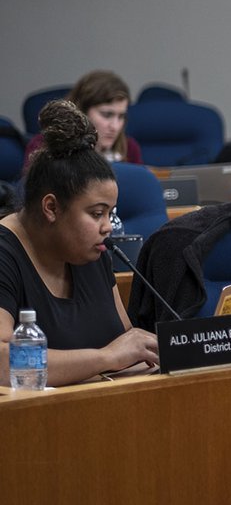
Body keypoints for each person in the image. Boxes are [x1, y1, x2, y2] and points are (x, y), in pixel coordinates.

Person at [0, 100, 158, 386]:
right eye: (97, 213)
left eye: (111, 213)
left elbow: (128, 350)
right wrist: (105, 358)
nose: (108, 226)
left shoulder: (94, 250)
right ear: (51, 208)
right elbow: (1, 362)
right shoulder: (4, 254)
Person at [23, 70, 142, 166]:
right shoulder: (42, 146)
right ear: (82, 112)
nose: (115, 126)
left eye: (121, 116)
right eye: (107, 115)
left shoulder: (129, 148)